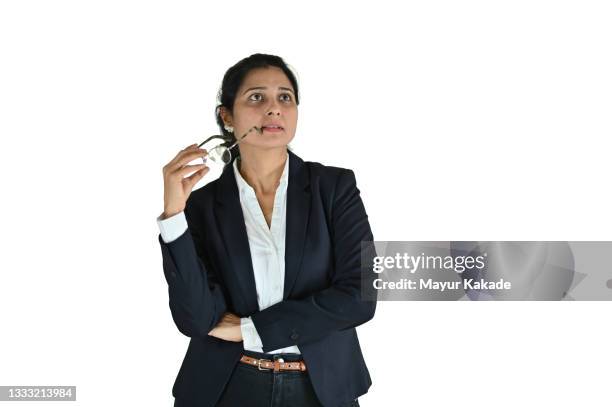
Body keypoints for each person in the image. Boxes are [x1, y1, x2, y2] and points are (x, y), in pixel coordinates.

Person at [157, 53, 377, 407]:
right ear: (226, 116)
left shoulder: (335, 188)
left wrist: (249, 330)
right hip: (225, 388)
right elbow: (196, 319)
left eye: (285, 97)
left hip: (320, 389)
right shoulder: (201, 207)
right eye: (256, 97)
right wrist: (173, 215)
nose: (273, 109)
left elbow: (360, 297)